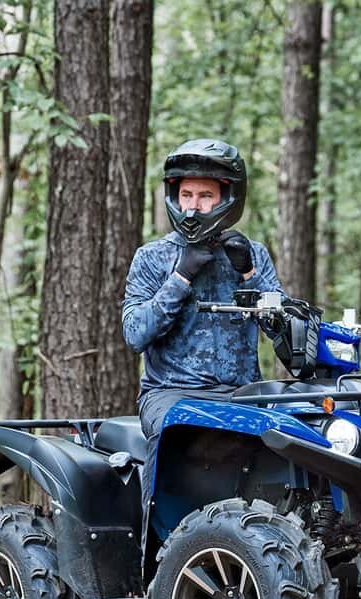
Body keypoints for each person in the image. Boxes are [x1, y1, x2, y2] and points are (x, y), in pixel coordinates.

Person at [121, 138, 287, 488]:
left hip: (242, 394)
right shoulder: (152, 257)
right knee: (180, 430)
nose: (193, 208)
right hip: (171, 394)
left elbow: (284, 334)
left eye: (205, 197)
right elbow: (135, 333)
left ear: (227, 199)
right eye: (186, 196)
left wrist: (249, 277)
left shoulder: (252, 254)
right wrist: (181, 277)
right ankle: (154, 542)